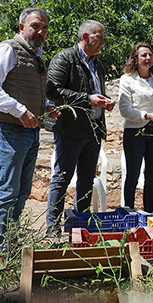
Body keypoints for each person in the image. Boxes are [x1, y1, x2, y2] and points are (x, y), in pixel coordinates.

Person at [0, 8, 50, 251]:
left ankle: (10, 243)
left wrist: (46, 108)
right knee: (8, 191)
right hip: (9, 130)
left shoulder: (36, 56)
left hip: (31, 131)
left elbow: (25, 92)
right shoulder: (8, 49)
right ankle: (0, 251)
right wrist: (20, 111)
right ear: (22, 27)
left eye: (44, 28)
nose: (40, 32)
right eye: (35, 26)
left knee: (22, 191)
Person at [45, 21, 114, 241]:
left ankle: (81, 225)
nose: (103, 42)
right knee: (62, 178)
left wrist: (105, 103)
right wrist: (87, 99)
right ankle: (53, 229)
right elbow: (53, 91)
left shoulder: (99, 65)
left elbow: (96, 93)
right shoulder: (65, 58)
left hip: (93, 131)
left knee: (86, 180)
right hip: (69, 130)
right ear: (86, 35)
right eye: (100, 38)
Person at [118, 42, 153, 212]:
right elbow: (124, 109)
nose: (148, 58)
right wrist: (146, 115)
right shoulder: (127, 80)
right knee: (132, 175)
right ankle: (129, 213)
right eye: (144, 55)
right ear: (135, 59)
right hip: (134, 131)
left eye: (150, 55)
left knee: (151, 177)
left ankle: (148, 214)